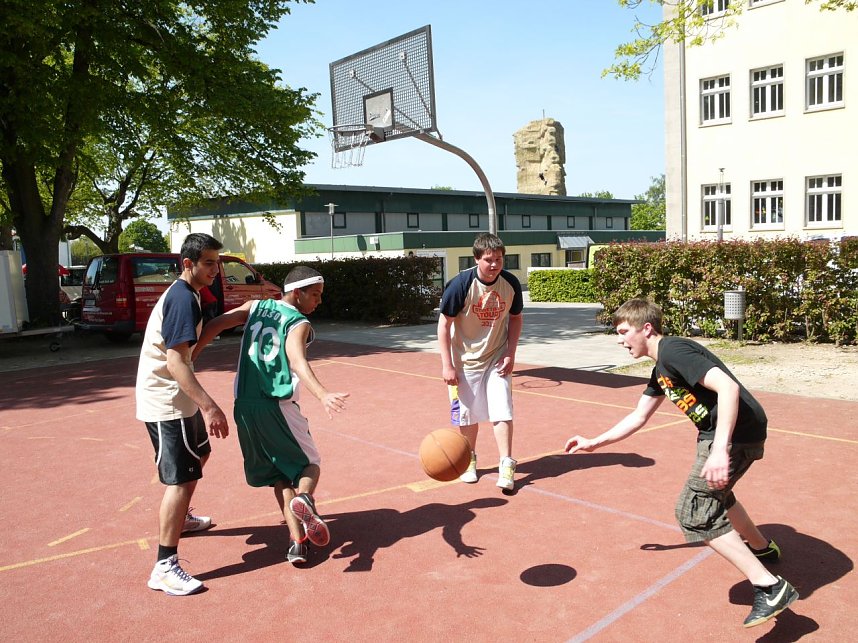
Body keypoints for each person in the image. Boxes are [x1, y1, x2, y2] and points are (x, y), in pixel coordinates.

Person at [564, 298, 798, 628]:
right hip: (725, 434)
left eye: (623, 332)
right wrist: (594, 442)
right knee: (718, 494)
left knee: (693, 511)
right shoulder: (660, 370)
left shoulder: (674, 352)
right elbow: (638, 416)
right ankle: (763, 548)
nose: (619, 340)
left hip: (734, 434)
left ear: (646, 329)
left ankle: (770, 587)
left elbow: (728, 388)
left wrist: (720, 449)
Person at [193, 266, 349, 565]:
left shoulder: (255, 307)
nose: (318, 302)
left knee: (279, 473)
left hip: (245, 405)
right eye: (314, 295)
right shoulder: (297, 321)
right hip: (276, 404)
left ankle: (297, 542)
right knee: (309, 465)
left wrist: (193, 354)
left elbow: (216, 324)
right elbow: (297, 359)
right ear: (296, 292)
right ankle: (305, 498)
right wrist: (322, 393)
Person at [135, 233, 230, 596]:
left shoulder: (191, 294)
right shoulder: (181, 298)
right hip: (166, 403)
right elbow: (175, 360)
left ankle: (183, 519)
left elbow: (187, 349)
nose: (215, 269)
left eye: (217, 262)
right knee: (180, 480)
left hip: (178, 399)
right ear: (187, 264)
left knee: (201, 453)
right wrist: (210, 405)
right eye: (209, 263)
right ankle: (164, 565)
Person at [438, 232, 524, 492]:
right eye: (489, 260)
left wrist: (510, 353)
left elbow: (516, 318)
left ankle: (506, 463)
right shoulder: (460, 285)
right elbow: (444, 326)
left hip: (497, 357)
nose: (495, 265)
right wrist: (447, 364)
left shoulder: (510, 284)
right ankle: (469, 460)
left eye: (499, 259)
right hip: (466, 360)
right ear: (477, 259)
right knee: (467, 414)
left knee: (502, 409)